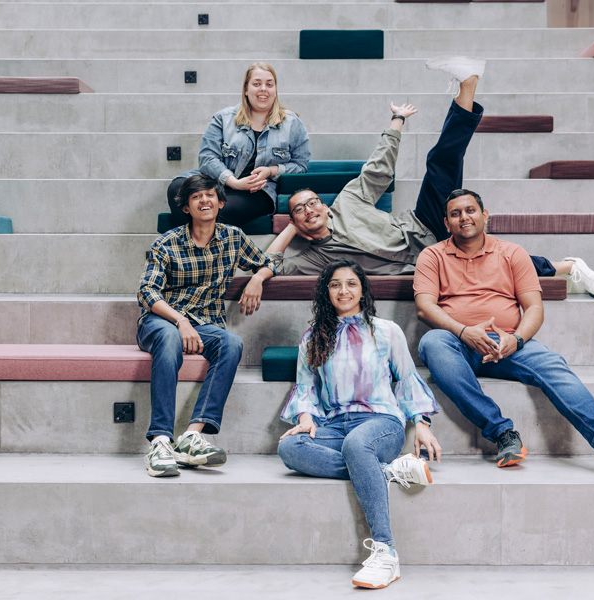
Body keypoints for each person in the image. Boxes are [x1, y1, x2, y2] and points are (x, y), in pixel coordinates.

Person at [264, 56, 594, 295]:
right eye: (299, 210)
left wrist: (396, 121)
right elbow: (271, 264)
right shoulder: (312, 258)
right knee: (494, 264)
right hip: (427, 262)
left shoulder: (347, 201)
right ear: (297, 223)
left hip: (424, 224)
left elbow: (378, 169)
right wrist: (291, 229)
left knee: (440, 162)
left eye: (312, 203)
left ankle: (468, 84)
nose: (309, 209)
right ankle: (568, 266)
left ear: (324, 206)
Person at [413, 189, 594, 476]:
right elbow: (425, 307)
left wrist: (515, 339)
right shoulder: (432, 256)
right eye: (455, 214)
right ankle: (503, 432)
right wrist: (464, 331)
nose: (464, 217)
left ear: (485, 215)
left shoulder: (512, 253)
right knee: (432, 343)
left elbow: (534, 308)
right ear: (446, 223)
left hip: (506, 342)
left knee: (551, 362)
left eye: (470, 210)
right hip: (456, 341)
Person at [277, 259, 441, 589]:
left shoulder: (387, 331)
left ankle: (386, 552)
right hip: (335, 425)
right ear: (327, 292)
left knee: (358, 446)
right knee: (289, 446)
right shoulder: (312, 338)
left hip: (380, 423)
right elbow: (305, 386)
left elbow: (406, 380)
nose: (344, 290)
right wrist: (306, 419)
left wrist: (421, 423)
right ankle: (388, 472)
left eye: (351, 283)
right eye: (336, 284)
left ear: (362, 290)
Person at [137, 173, 275, 477]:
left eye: (210, 195)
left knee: (232, 343)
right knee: (170, 338)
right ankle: (160, 441)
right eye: (197, 196)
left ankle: (192, 436)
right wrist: (180, 319)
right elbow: (147, 292)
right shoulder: (167, 243)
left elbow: (270, 261)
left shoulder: (233, 237)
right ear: (186, 208)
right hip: (161, 320)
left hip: (206, 323)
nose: (205, 200)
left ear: (220, 202)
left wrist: (256, 278)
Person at [166, 62, 311, 228]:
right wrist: (233, 182)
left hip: (258, 192)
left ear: (275, 90)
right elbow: (207, 157)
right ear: (246, 89)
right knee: (177, 188)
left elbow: (301, 165)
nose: (263, 88)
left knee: (216, 212)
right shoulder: (224, 118)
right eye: (257, 84)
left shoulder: (292, 124)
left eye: (269, 84)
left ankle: (189, 251)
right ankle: (196, 252)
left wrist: (271, 171)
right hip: (218, 182)